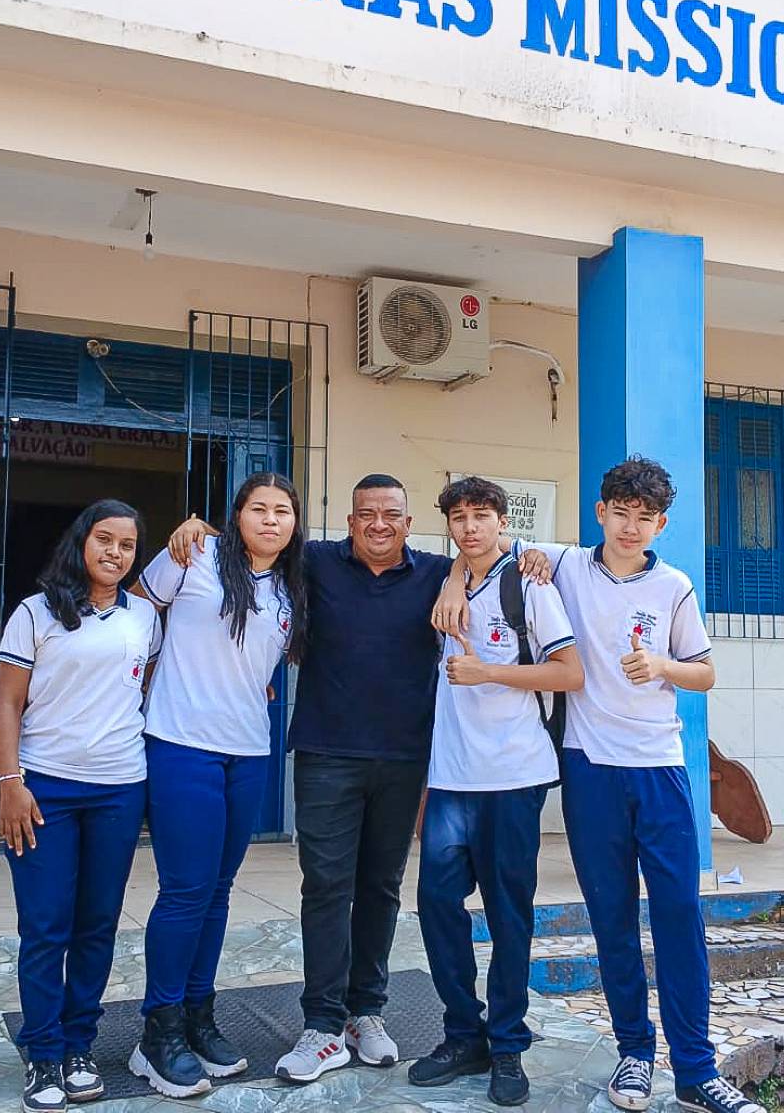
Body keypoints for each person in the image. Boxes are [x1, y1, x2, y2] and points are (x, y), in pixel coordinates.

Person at [169, 475, 551, 1085]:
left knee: (381, 888)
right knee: (326, 887)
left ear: (408, 523)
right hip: (325, 754)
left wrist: (499, 560)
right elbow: (259, 540)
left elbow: (478, 553)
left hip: (403, 758)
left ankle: (365, 1013)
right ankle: (321, 1024)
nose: (378, 524)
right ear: (349, 521)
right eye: (366, 513)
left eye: (391, 514)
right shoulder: (316, 561)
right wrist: (200, 530)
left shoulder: (435, 572)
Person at [434, 458, 762, 1113]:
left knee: (678, 916)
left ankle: (696, 1070)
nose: (630, 526)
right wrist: (449, 581)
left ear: (660, 523)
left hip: (659, 769)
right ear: (600, 513)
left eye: (645, 517)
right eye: (621, 512)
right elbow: (483, 542)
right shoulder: (564, 564)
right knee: (611, 920)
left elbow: (704, 672)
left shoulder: (673, 586)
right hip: (589, 771)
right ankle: (634, 1055)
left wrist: (663, 665)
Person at [128, 473, 307, 1100]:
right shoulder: (193, 554)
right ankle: (159, 1032)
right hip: (181, 744)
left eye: (282, 511)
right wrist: (138, 682)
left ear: (294, 524)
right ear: (235, 516)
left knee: (220, 890)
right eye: (258, 508)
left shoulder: (292, 586)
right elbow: (135, 614)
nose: (271, 520)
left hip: (247, 751)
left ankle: (198, 1015)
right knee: (185, 890)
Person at [408, 477, 583, 1108]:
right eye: (459, 517)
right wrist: (456, 576)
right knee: (436, 906)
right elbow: (459, 569)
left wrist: (488, 672)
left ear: (502, 521)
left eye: (481, 515)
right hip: (452, 776)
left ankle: (507, 1043)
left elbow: (570, 673)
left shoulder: (530, 583)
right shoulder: (446, 581)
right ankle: (464, 1035)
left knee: (509, 914)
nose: (470, 527)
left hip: (513, 776)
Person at [0, 500, 161, 1113]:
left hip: (120, 786)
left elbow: (145, 690)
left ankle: (78, 1046)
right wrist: (10, 782)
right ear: (81, 542)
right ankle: (43, 1053)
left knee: (97, 923)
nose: (114, 553)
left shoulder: (145, 617)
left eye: (127, 545)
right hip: (45, 790)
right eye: (104, 539)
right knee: (46, 926)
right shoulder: (35, 613)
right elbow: (8, 705)